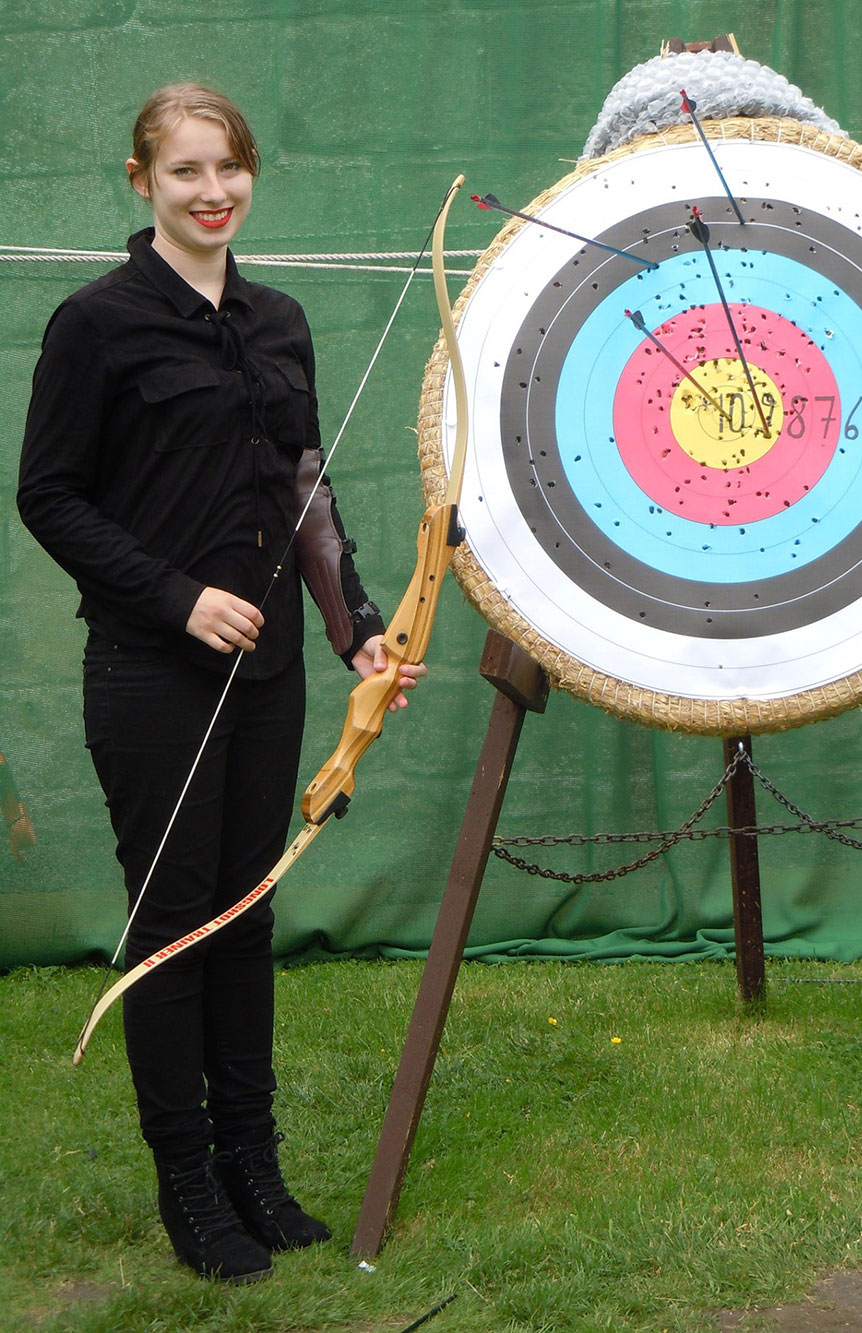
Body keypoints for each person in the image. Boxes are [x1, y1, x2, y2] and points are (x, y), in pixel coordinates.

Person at [17, 83, 425, 1284]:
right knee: (176, 928)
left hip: (274, 680)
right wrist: (175, 595)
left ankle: (257, 1166)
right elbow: (49, 496)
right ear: (139, 180)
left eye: (230, 169)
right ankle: (189, 1185)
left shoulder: (279, 319)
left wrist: (355, 628)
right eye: (186, 171)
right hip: (150, 676)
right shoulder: (97, 322)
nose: (213, 193)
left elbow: (304, 489)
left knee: (246, 921)